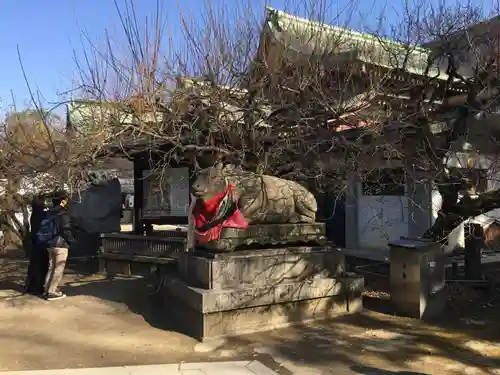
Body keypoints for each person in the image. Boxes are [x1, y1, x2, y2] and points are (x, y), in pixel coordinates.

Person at [42, 194, 74, 301]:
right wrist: (71, 241)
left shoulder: (49, 214)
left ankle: (46, 289)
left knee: (51, 267)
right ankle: (52, 292)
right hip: (61, 245)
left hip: (49, 244)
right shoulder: (63, 214)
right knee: (58, 269)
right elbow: (66, 230)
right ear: (62, 202)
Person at [24, 197, 49, 296]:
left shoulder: (34, 214)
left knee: (34, 265)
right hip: (41, 243)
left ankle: (31, 286)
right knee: (41, 266)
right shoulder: (41, 215)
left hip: (35, 244)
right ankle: (38, 287)